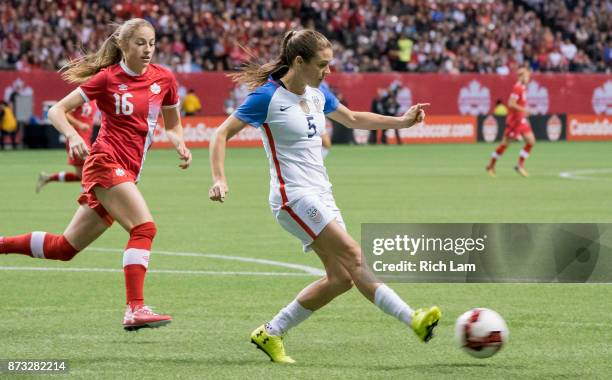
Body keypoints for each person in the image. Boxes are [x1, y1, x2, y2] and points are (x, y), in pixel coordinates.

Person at [208, 30, 440, 364]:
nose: (327, 71)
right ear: (298, 62)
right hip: (293, 197)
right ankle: (413, 319)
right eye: (322, 64)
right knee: (354, 254)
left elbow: (353, 118)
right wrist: (219, 178)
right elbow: (220, 134)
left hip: (321, 194)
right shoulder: (266, 98)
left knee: (342, 277)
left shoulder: (318, 93)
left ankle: (270, 332)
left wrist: (402, 122)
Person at [0, 18, 192, 331]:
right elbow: (56, 110)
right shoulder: (107, 78)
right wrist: (73, 136)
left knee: (63, 248)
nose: (147, 49)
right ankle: (135, 309)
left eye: (152, 43)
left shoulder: (164, 79)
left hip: (127, 170)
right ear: (123, 46)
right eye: (140, 43)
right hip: (105, 162)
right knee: (144, 228)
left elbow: (172, 124)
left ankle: (2, 244)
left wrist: (179, 143)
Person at [36, 101, 98, 193]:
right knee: (90, 173)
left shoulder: (94, 99)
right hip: (77, 140)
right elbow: (64, 113)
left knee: (83, 175)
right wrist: (79, 124)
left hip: (86, 139)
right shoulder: (82, 96)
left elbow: (89, 117)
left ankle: (48, 177)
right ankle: (86, 203)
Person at [486, 68, 535, 177]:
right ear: (521, 77)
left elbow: (519, 104)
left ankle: (520, 165)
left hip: (520, 120)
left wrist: (523, 114)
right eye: (526, 77)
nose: (528, 79)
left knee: (531, 141)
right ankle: (491, 165)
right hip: (514, 121)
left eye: (528, 77)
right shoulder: (517, 88)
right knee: (505, 145)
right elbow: (511, 103)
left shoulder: (523, 88)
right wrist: (524, 110)